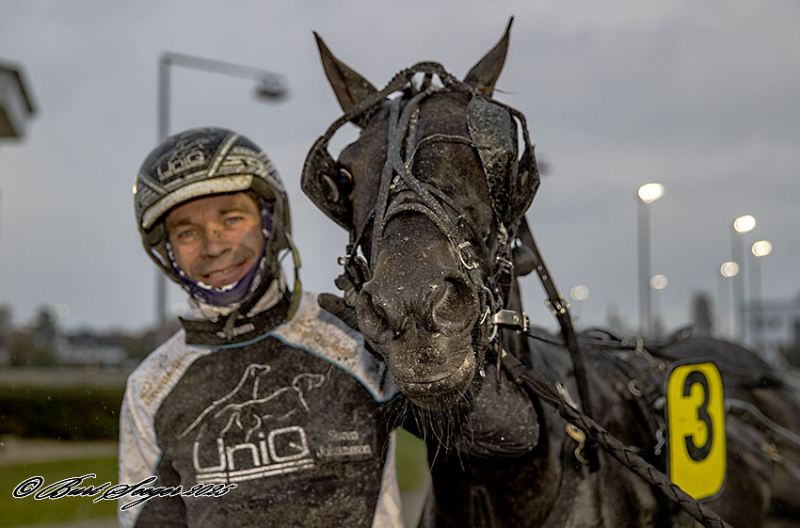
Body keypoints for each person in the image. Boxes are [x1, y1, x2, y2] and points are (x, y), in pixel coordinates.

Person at [119, 127, 403, 528]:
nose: (213, 245)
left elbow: (486, 443)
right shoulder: (152, 384)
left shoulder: (350, 338)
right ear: (167, 252)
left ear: (271, 221)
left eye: (232, 218)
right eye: (186, 232)